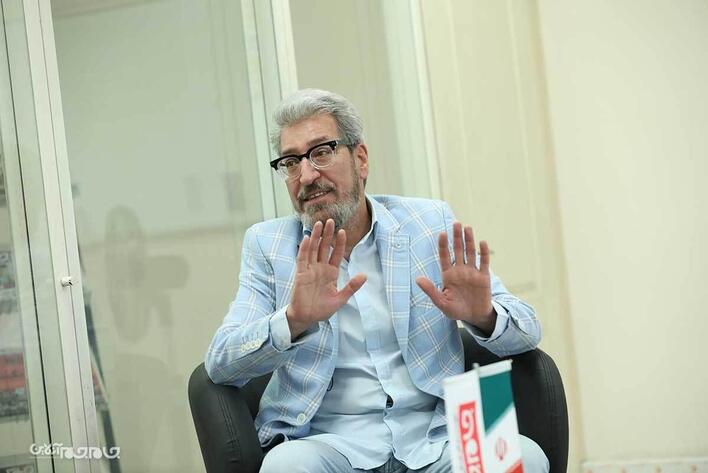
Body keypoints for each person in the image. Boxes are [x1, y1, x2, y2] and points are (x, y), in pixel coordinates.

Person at [205, 89, 550, 473]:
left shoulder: (428, 224)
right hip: (328, 441)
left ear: (361, 159)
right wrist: (293, 320)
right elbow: (221, 362)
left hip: (436, 433)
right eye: (290, 162)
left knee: (526, 458)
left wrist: (483, 315)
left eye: (321, 152)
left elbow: (528, 331)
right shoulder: (267, 245)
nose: (307, 175)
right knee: (284, 467)